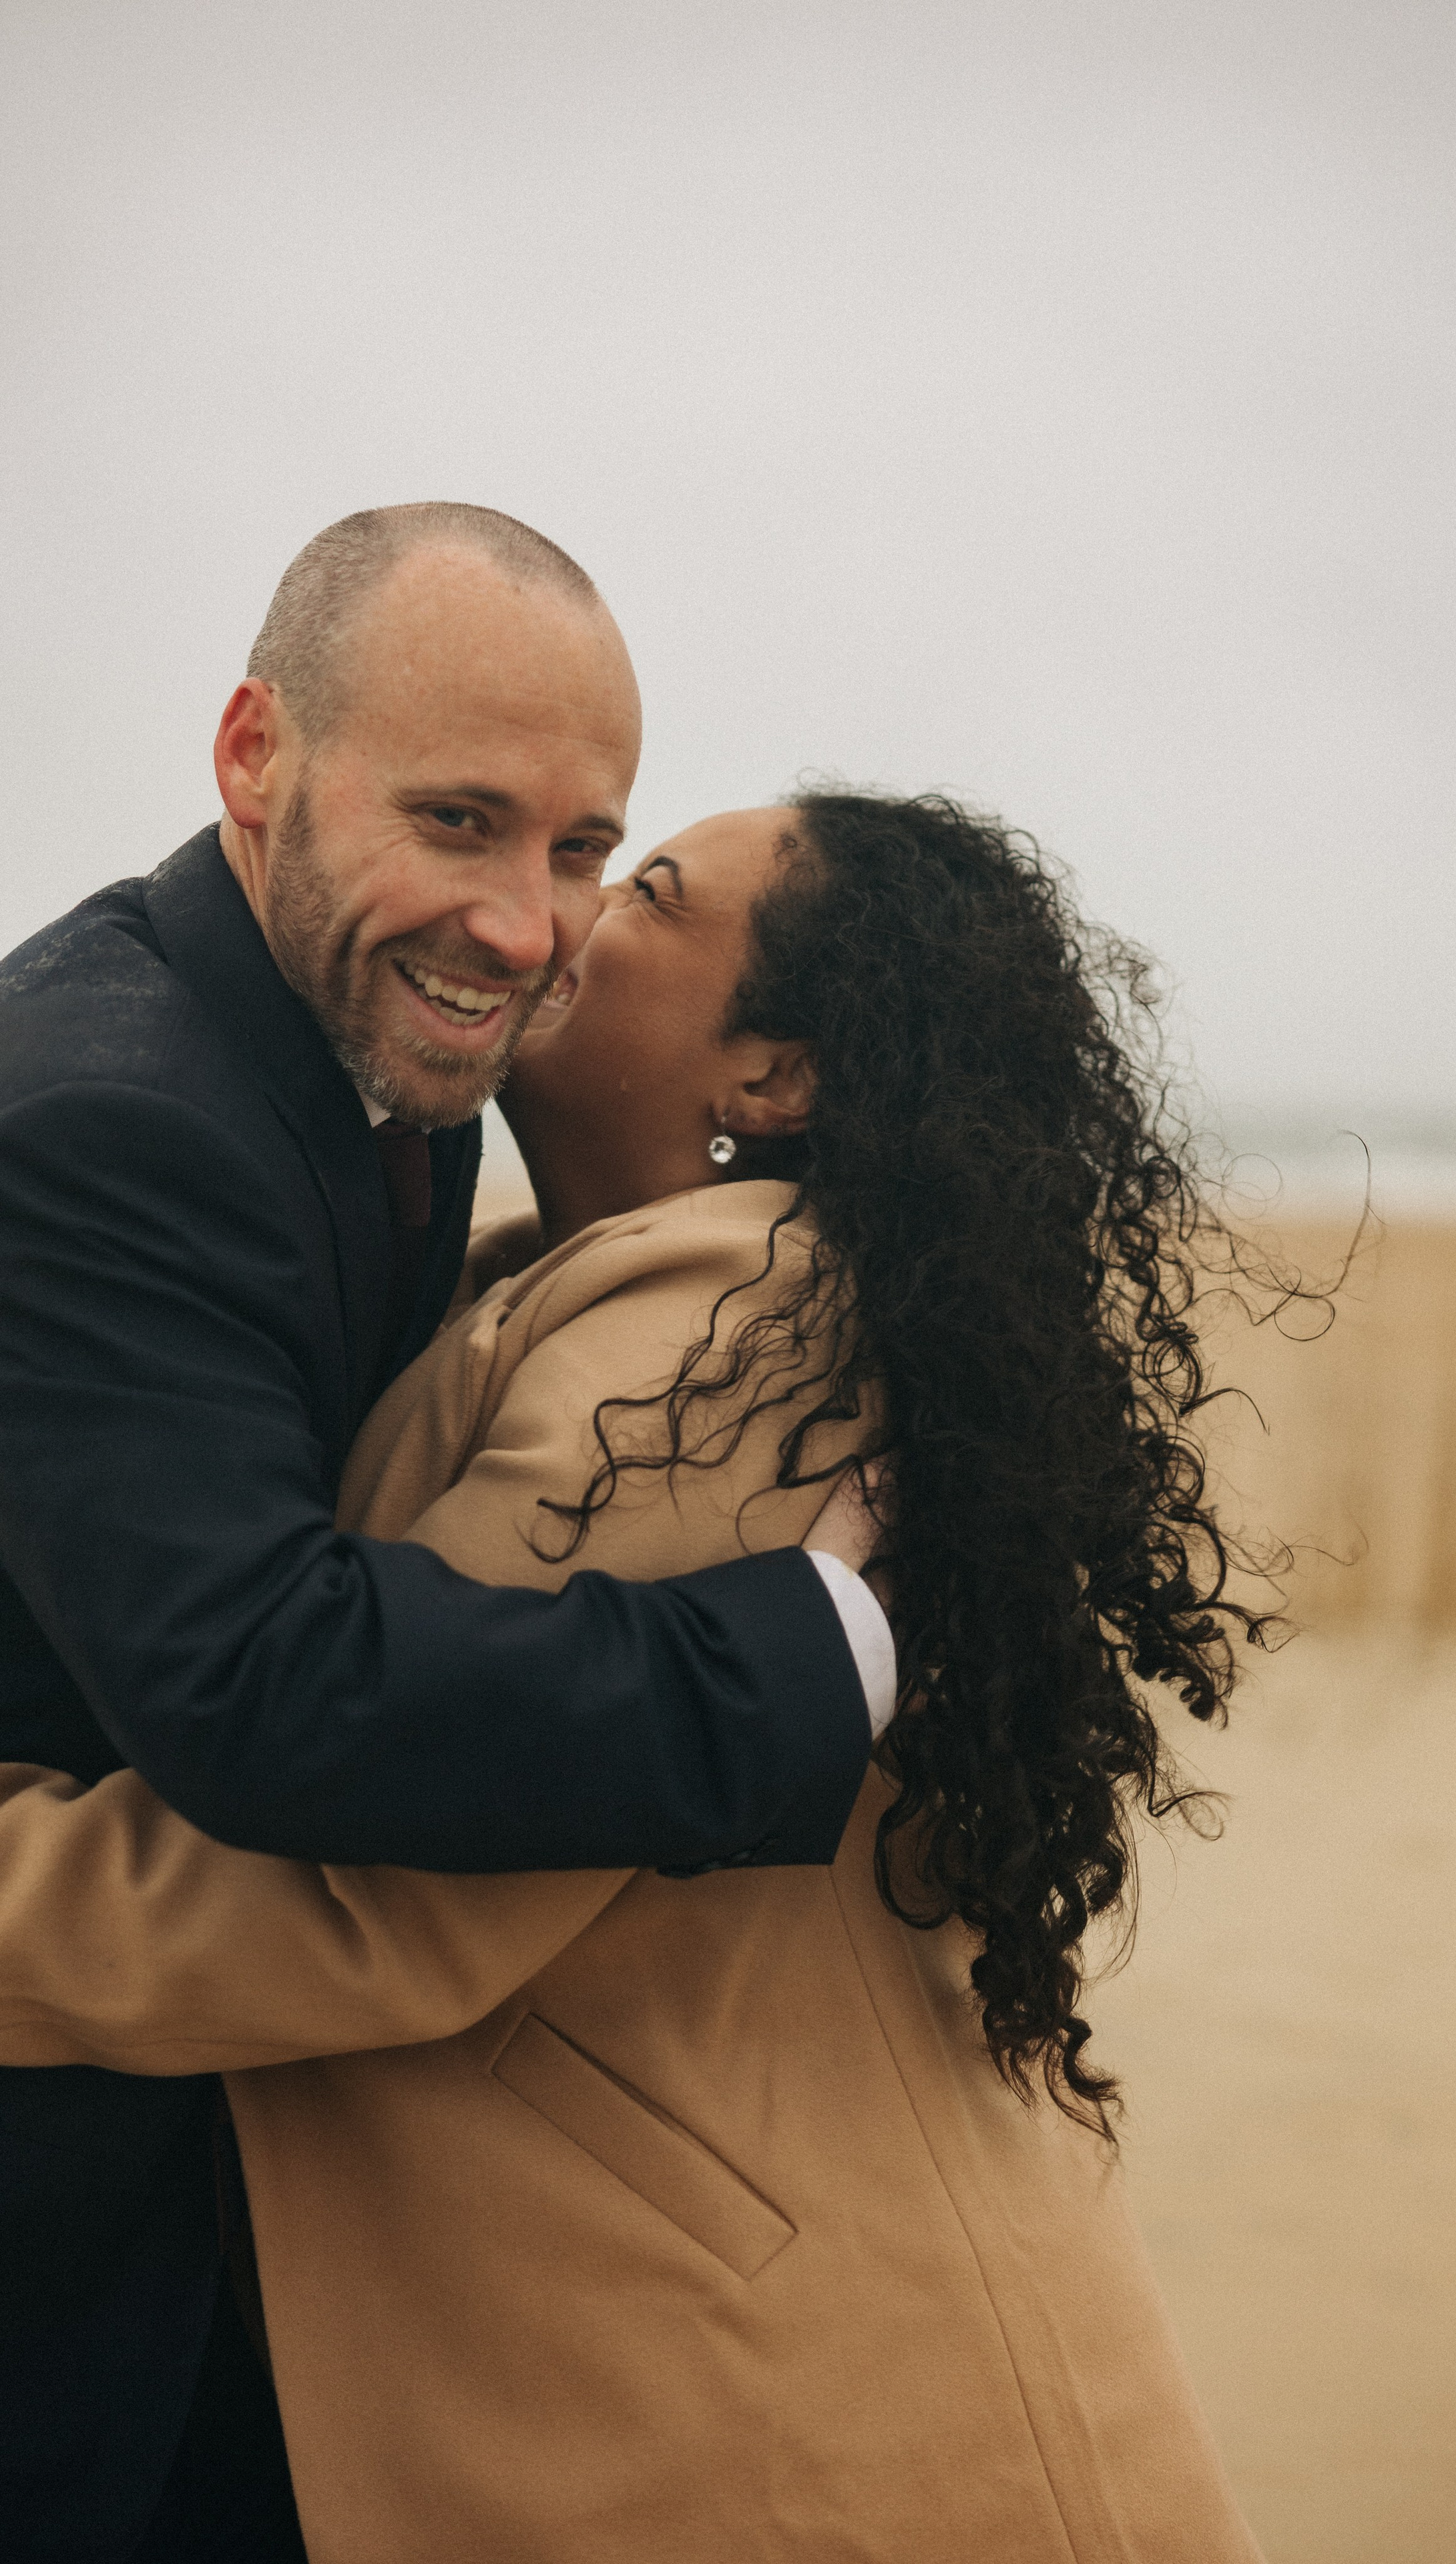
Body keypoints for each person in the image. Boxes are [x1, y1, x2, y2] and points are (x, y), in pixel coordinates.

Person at [0, 795, 1266, 2561]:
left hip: (772, 2409)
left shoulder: (710, 1364)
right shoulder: (626, 1310)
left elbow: (385, 1881)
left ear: (773, 1075)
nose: (547, 928)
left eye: (635, 888)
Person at [0, 511, 889, 2561]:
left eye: (585, 851)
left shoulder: (377, 1055)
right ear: (254, 757)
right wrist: (818, 1651)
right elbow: (263, 1687)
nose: (526, 926)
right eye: (463, 821)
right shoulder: (107, 1110)